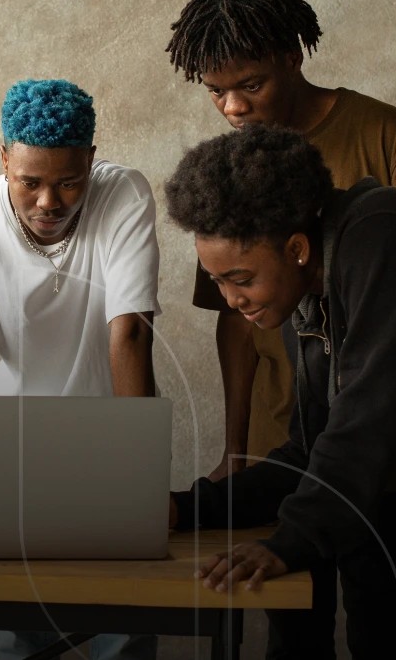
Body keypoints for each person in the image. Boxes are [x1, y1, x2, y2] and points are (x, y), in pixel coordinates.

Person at [0, 79, 160, 660]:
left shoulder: (124, 194)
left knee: (123, 626)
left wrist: (137, 470)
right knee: (23, 631)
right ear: (4, 159)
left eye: (68, 182)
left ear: (91, 160)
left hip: (110, 440)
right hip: (11, 444)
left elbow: (130, 331)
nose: (49, 203)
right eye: (29, 182)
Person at [165, 123, 396, 660]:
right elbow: (308, 452)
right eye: (218, 281)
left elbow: (371, 419)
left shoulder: (378, 232)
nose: (232, 300)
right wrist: (187, 509)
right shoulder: (303, 298)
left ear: (295, 248)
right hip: (372, 514)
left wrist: (292, 540)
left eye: (242, 280)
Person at [166, 0, 396, 482]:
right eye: (216, 91)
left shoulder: (383, 137)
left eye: (251, 85)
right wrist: (235, 446)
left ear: (293, 59)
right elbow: (232, 320)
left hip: (372, 435)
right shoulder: (224, 171)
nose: (233, 108)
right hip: (285, 440)